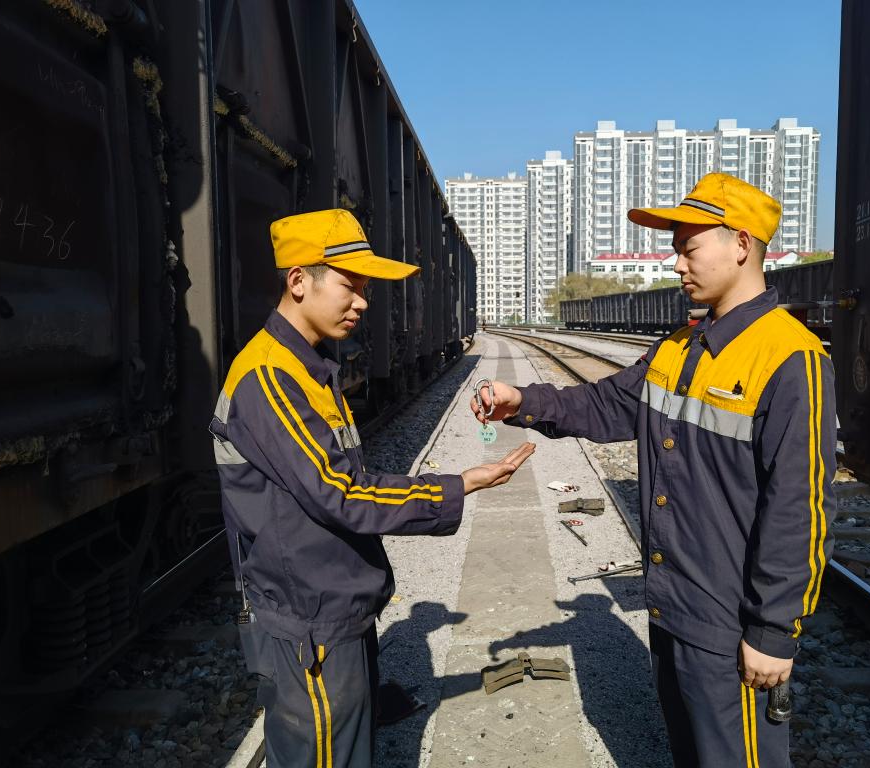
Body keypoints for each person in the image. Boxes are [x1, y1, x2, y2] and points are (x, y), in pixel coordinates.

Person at [472, 173, 836, 766]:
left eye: (689, 248)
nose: (677, 263)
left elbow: (801, 508)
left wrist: (773, 631)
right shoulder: (679, 347)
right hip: (671, 603)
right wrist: (523, 401)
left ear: (742, 245)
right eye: (676, 250)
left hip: (728, 618)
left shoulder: (789, 357)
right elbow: (608, 404)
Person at [210, 208, 534, 768]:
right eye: (350, 286)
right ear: (298, 281)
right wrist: (459, 485)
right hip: (308, 622)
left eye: (365, 289)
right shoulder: (269, 376)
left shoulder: (307, 364)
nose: (362, 302)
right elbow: (343, 494)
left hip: (330, 604)